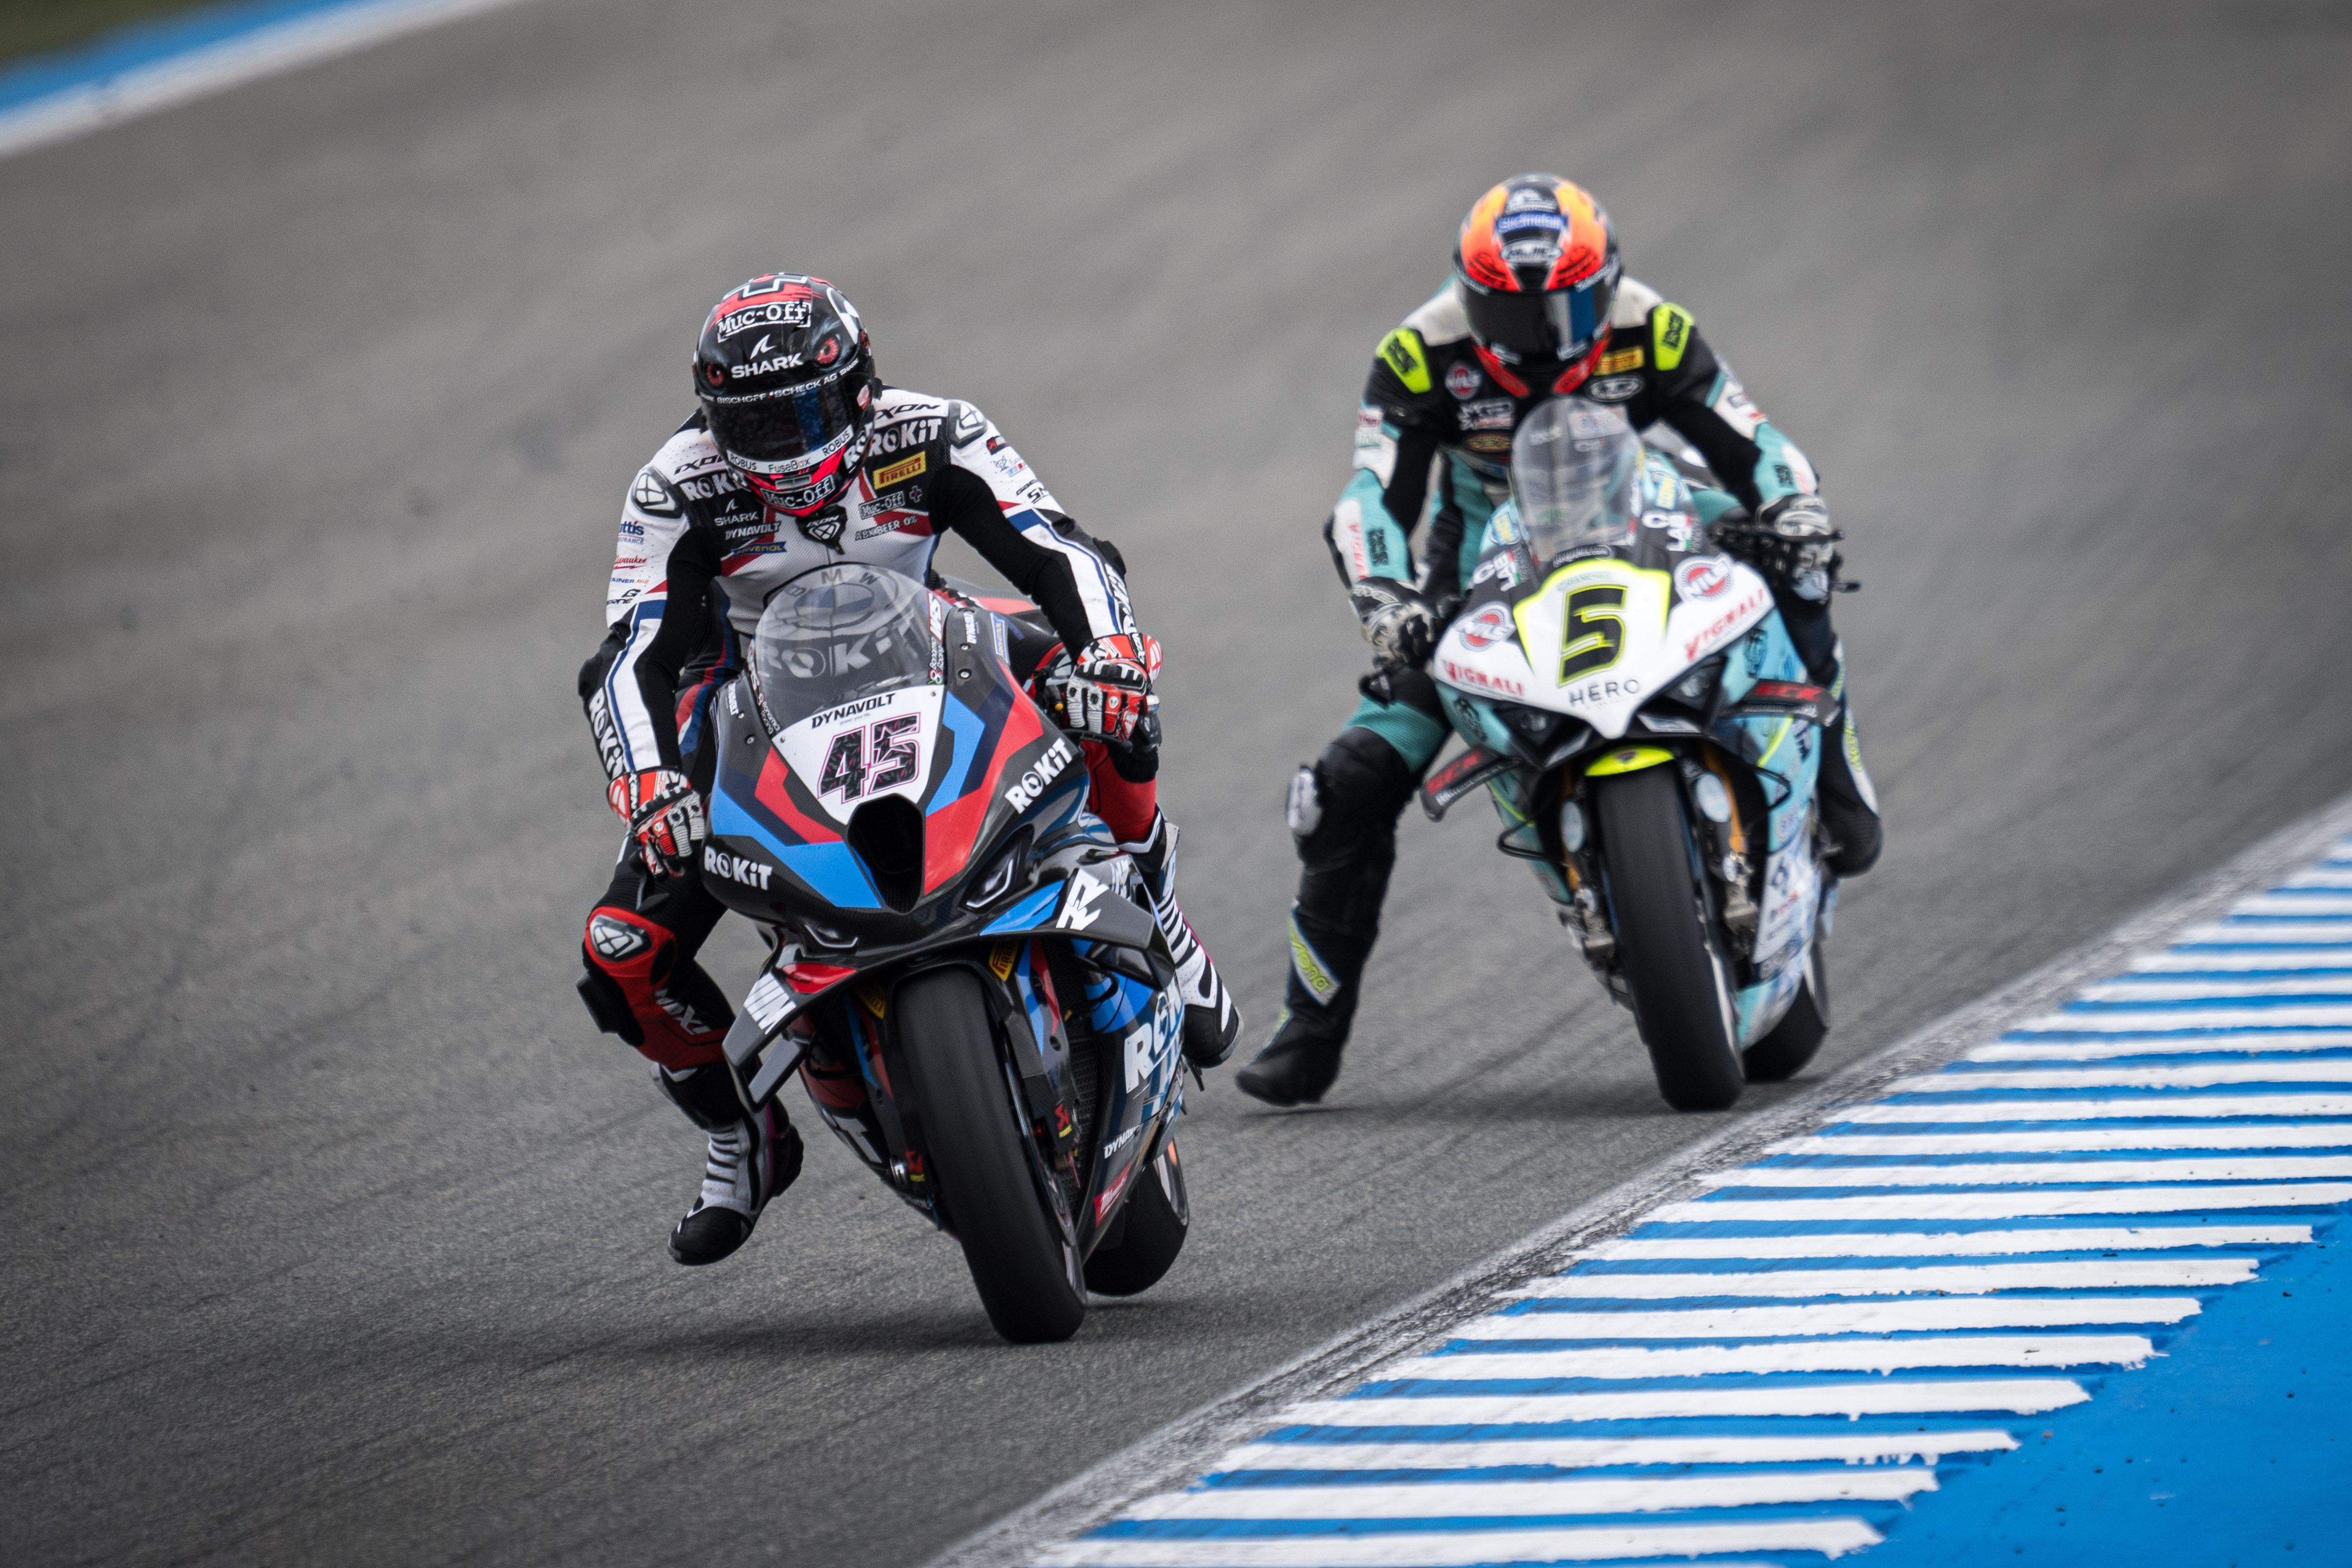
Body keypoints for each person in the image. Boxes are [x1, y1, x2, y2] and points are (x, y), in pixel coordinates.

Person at [573, 273, 1240, 1265]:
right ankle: (741, 1134)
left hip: (932, 640)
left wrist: (1106, 653)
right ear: (711, 417)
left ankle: (1164, 919)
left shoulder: (932, 430)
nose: (783, 446)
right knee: (622, 950)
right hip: (747, 698)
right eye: (751, 424)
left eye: (803, 414)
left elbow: (1057, 548)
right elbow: (631, 652)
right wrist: (649, 783)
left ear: (859, 388)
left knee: (1112, 701)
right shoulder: (676, 484)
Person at [1235, 174, 1880, 1108]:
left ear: (1604, 285)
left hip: (1659, 529)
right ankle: (1308, 1027)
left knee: (1800, 569)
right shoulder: (1420, 353)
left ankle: (1840, 787)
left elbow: (1752, 437)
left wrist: (1793, 509)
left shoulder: (1651, 327)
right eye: (1509, 311)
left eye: (1563, 308)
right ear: (1469, 296)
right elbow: (1370, 497)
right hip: (1482, 580)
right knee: (1344, 785)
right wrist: (1386, 600)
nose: (1538, 334)